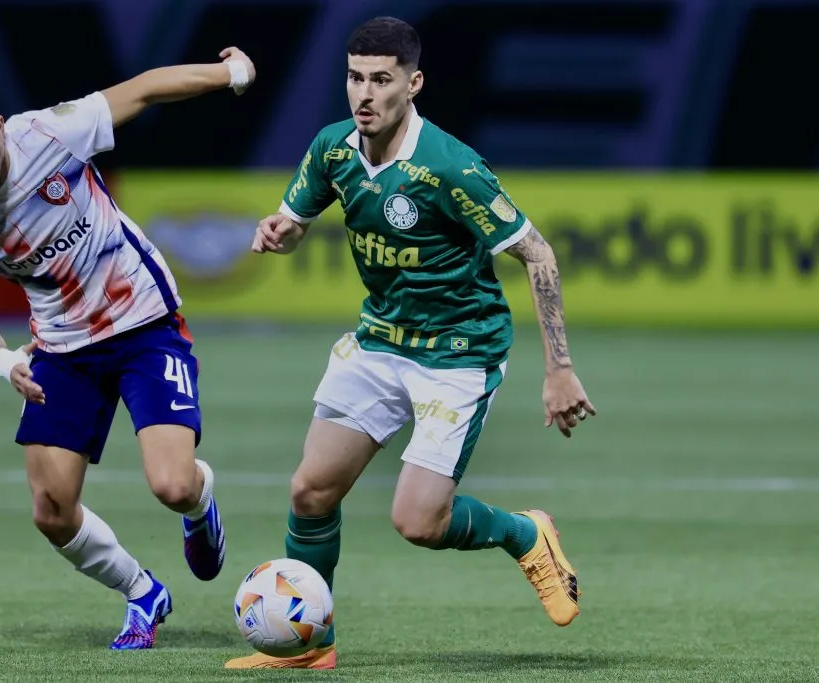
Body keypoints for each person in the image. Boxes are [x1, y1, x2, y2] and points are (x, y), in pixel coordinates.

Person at [225, 17, 595, 671]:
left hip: (457, 352)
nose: (364, 94)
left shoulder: (450, 167)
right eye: (354, 77)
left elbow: (538, 255)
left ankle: (527, 533)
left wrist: (559, 368)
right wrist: (281, 231)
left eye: (381, 80)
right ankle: (311, 645)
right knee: (311, 491)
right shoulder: (333, 149)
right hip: (379, 343)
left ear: (413, 83)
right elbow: (295, 219)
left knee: (419, 521)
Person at [0, 49, 256, 650]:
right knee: (51, 510)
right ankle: (143, 593)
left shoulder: (49, 131)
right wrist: (4, 361)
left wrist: (230, 75)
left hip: (143, 325)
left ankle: (199, 500)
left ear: (0, 126)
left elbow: (145, 89)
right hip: (62, 348)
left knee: (171, 485)